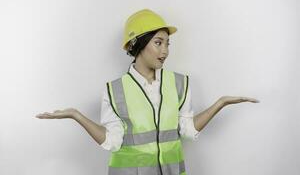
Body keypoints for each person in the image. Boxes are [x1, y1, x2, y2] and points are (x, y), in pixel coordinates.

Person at [36, 9, 259, 175]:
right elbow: (112, 142)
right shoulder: (114, 90)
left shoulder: (180, 83)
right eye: (158, 43)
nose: (165, 51)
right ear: (138, 44)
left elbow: (188, 130)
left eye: (168, 44)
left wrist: (220, 103)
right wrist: (78, 115)